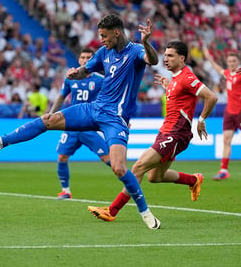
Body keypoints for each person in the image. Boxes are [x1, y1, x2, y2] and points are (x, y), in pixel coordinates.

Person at [0, 13, 162, 229]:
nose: (101, 40)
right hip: (92, 109)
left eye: (104, 36)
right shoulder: (104, 53)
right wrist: (75, 74)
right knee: (48, 120)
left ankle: (145, 211)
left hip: (115, 118)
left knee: (119, 168)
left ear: (116, 32)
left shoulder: (136, 51)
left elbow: (153, 60)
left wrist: (146, 42)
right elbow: (85, 71)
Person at [88, 40, 218, 223]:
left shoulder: (187, 78)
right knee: (155, 176)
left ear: (182, 58)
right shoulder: (175, 79)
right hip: (166, 133)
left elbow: (211, 97)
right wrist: (168, 87)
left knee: (138, 167)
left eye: (170, 55)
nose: (166, 59)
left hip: (176, 134)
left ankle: (112, 210)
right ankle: (193, 180)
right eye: (165, 55)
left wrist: (202, 120)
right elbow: (181, 100)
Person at [50, 49, 110, 199]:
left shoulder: (100, 80)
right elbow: (61, 97)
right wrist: (51, 114)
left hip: (89, 126)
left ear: (93, 60)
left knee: (107, 159)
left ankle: (129, 179)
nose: (84, 60)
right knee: (62, 157)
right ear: (79, 60)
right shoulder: (70, 78)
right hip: (71, 126)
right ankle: (66, 191)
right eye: (82, 57)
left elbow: (110, 100)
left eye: (88, 58)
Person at [202, 47, 241, 180]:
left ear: (238, 62)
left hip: (240, 111)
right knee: (226, 140)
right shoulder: (228, 74)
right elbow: (218, 69)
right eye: (229, 61)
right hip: (230, 111)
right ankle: (224, 170)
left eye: (234, 61)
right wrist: (208, 58)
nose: (231, 63)